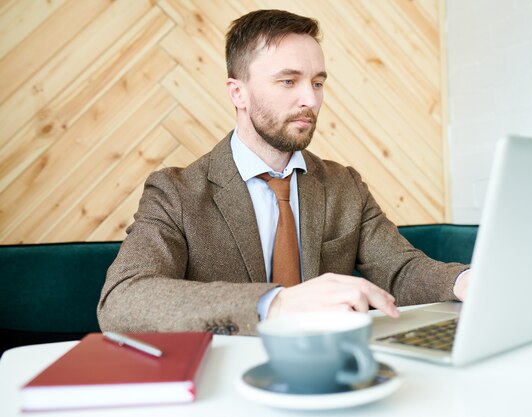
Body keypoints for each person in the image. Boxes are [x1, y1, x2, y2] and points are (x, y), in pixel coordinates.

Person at [97, 9, 470, 336]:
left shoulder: (345, 186)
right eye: (288, 81)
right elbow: (123, 299)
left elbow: (401, 270)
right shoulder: (175, 192)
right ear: (237, 93)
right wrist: (274, 304)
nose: (310, 99)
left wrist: (463, 281)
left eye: (318, 82)